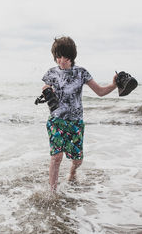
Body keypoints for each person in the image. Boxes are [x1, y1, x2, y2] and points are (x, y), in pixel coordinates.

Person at [42, 36, 117, 192]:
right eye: (58, 57)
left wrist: (114, 85)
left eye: (65, 57)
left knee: (77, 160)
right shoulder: (51, 73)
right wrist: (47, 91)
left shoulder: (81, 73)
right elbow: (45, 87)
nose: (61, 60)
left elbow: (100, 92)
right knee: (56, 157)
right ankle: (52, 193)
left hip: (75, 122)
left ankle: (73, 172)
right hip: (56, 121)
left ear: (72, 56)